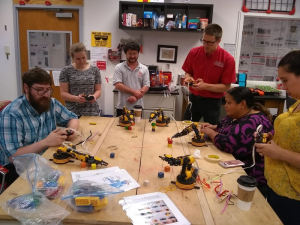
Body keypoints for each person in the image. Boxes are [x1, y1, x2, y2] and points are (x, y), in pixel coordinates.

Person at [0, 67, 78, 187]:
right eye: (40, 90)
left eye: (48, 90)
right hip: (18, 168)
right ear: (26, 88)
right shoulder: (11, 114)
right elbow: (13, 156)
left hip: (45, 158)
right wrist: (46, 142)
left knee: (73, 180)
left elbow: (72, 118)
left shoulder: (51, 103)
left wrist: (71, 131)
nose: (46, 95)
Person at [201, 87, 274, 197]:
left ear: (242, 104)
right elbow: (226, 126)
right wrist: (214, 127)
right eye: (225, 102)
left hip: (247, 176)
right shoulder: (238, 114)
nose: (225, 105)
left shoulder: (252, 122)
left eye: (229, 103)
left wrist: (211, 133)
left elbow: (231, 145)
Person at [255, 50, 300, 225]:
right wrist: (271, 138)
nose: (282, 86)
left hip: (294, 196)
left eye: (285, 80)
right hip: (276, 187)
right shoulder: (297, 102)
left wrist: (278, 152)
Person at [182, 23, 236, 125]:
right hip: (194, 99)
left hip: (212, 102)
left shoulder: (228, 59)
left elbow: (226, 87)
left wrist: (205, 86)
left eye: (209, 43)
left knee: (211, 133)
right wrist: (188, 78)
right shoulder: (194, 52)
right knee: (185, 127)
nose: (205, 45)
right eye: (204, 41)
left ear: (218, 41)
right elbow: (188, 71)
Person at [60, 42, 102, 117]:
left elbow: (98, 90)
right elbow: (63, 93)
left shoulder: (95, 70)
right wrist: (76, 98)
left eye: (83, 58)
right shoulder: (66, 71)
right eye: (78, 59)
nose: (82, 61)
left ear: (86, 55)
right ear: (72, 58)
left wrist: (94, 97)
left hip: (91, 111)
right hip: (73, 112)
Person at [113, 41, 150, 117]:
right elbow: (118, 85)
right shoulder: (119, 67)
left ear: (138, 54)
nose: (132, 56)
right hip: (122, 107)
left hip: (138, 107)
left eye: (135, 53)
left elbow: (146, 85)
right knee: (120, 128)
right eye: (130, 53)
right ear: (125, 53)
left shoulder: (144, 68)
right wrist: (134, 92)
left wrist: (136, 97)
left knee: (138, 128)